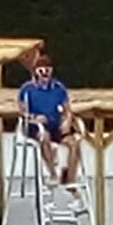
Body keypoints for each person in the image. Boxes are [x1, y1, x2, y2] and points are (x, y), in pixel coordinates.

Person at [18, 54, 81, 186]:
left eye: (48, 69)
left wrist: (67, 120)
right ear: (36, 71)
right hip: (36, 127)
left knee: (74, 143)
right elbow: (23, 111)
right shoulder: (27, 89)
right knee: (44, 136)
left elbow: (67, 109)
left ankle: (70, 179)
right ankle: (53, 174)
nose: (45, 73)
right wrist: (35, 118)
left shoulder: (58, 88)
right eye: (41, 70)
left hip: (55, 125)